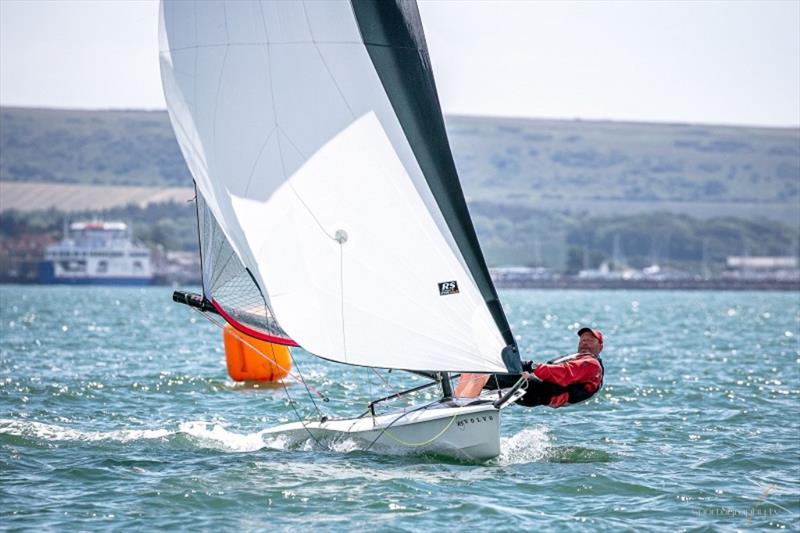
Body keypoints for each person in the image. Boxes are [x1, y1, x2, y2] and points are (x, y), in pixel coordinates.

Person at [455, 327, 605, 408]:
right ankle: (455, 402)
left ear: (600, 347)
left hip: (539, 391)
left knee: (483, 373)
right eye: (583, 340)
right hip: (533, 387)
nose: (585, 343)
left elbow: (563, 373)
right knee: (476, 369)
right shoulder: (578, 359)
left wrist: (532, 367)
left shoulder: (591, 364)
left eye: (591, 340)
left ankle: (461, 412)